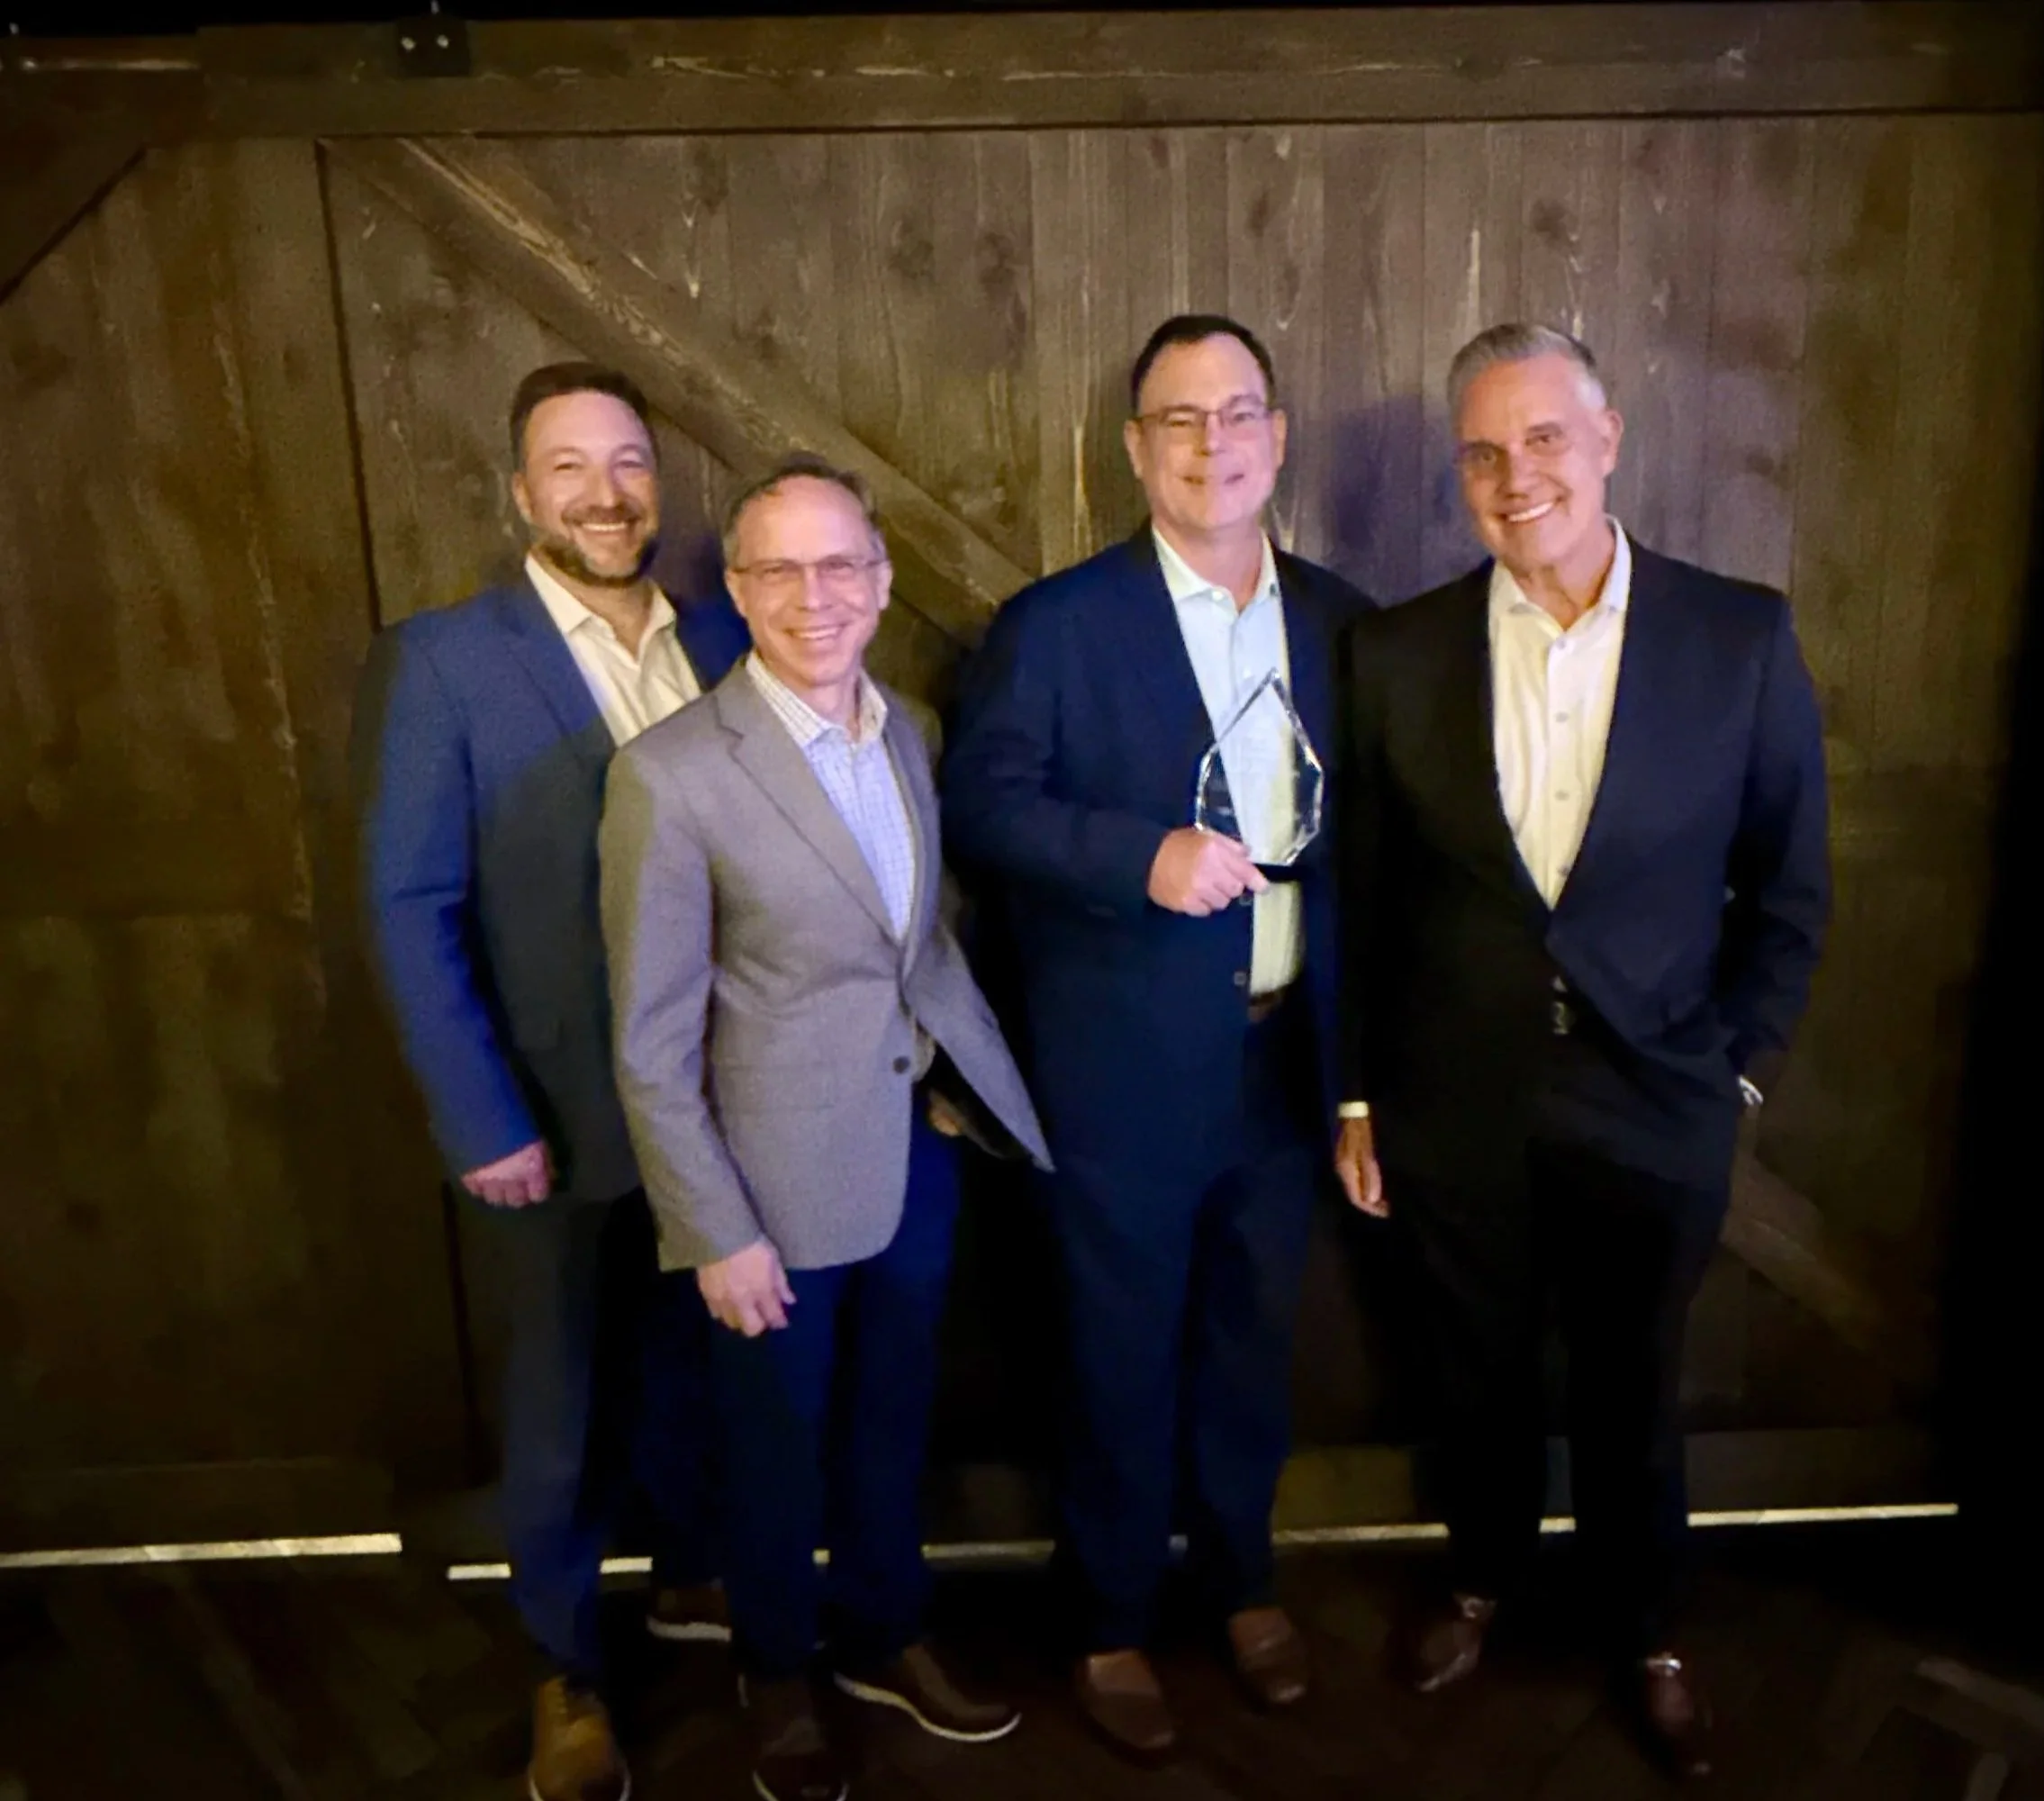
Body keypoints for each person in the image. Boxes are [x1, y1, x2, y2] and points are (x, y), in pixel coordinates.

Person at [1334, 323, 1830, 1779]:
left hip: (1658, 1092)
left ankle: (1648, 1624)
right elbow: (1365, 890)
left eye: (1545, 438)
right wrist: (1364, 1090)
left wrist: (1734, 1073)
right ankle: (1480, 1576)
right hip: (1454, 1100)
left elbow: (1791, 889)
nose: (1515, 476)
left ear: (1610, 440)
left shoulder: (1738, 636)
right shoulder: (1396, 650)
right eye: (1483, 452)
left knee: (1633, 1380)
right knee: (1472, 1369)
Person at [942, 314, 1370, 1759]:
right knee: (1114, 1349)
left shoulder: (1339, 618)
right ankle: (1113, 1617)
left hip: (1280, 1062)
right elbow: (984, 810)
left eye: (1236, 412)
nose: (1211, 444)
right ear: (1135, 449)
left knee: (1254, 1340)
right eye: (1178, 419)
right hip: (1119, 1065)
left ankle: (1243, 1587)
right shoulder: (1057, 626)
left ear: (1277, 437)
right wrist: (1140, 857)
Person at [600, 453, 1051, 1801]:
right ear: (736, 588)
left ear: (882, 578)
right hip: (766, 1191)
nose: (816, 594)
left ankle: (881, 1636)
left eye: (842, 563)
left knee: (890, 1419)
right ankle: (780, 1672)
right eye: (780, 568)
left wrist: (962, 1094)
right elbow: (651, 1038)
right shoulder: (670, 778)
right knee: (774, 1449)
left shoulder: (905, 723)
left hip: (915, 1153)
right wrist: (714, 1231)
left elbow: (910, 944)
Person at [353, 363, 742, 1801]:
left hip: (723, 1107)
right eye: (568, 466)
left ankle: (701, 1587)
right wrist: (479, 1116)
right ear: (521, 494)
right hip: (550, 1116)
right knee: (561, 1403)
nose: (605, 492)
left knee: (706, 1375)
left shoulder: (725, 633)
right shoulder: (446, 661)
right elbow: (408, 902)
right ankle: (563, 1668)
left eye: (628, 461)